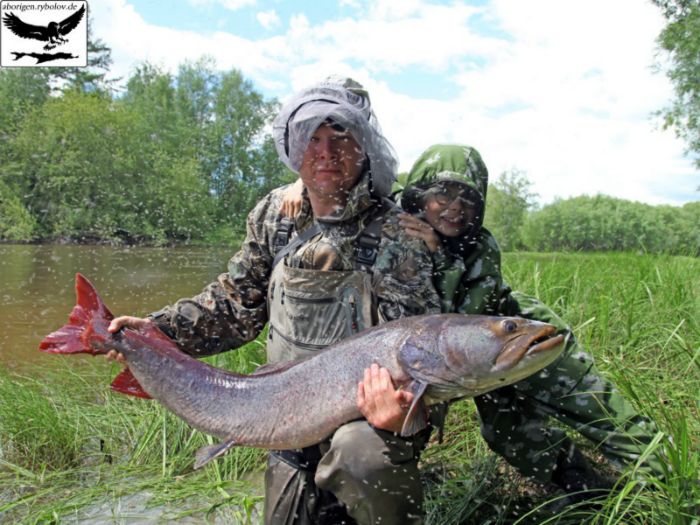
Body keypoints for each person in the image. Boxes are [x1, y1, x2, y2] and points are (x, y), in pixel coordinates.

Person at [107, 77, 441, 525]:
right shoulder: (273, 216)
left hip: (367, 423)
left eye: (340, 137)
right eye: (312, 139)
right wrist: (156, 330)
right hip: (283, 415)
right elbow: (234, 305)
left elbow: (426, 351)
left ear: (365, 146)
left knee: (362, 458)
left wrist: (406, 412)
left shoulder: (400, 234)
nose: (325, 152)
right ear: (293, 146)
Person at [394, 144, 665, 507]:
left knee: (593, 406)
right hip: (455, 363)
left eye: (468, 198)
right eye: (442, 194)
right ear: (418, 196)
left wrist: (439, 259)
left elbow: (456, 324)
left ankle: (665, 487)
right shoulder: (392, 233)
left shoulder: (481, 247)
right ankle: (584, 488)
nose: (455, 207)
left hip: (513, 337)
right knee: (506, 433)